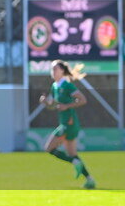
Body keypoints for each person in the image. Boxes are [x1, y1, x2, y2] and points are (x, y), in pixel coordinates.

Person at [39, 60, 96, 189]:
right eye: (52, 69)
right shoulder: (55, 86)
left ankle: (74, 162)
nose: (52, 72)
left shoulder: (67, 86)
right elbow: (54, 105)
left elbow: (82, 99)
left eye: (55, 69)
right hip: (66, 123)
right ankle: (90, 179)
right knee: (72, 154)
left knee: (49, 148)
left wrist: (67, 105)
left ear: (62, 71)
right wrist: (46, 103)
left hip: (68, 123)